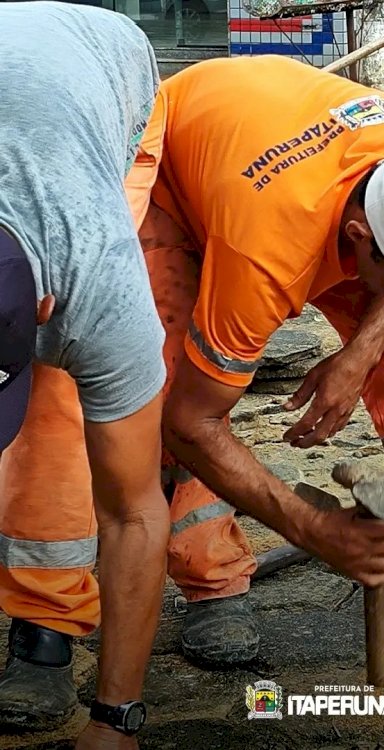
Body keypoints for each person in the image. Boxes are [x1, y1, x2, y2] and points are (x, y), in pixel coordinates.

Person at [0, 52, 384, 730]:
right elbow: (193, 421)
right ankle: (104, 610)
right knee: (129, 379)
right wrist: (312, 528)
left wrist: (360, 353)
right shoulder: (265, 246)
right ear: (360, 241)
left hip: (287, 169)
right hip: (176, 178)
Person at [0, 2, 171, 745]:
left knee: (66, 397)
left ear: (42, 306)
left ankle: (45, 614)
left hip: (111, 78)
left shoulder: (94, 281)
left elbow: (135, 513)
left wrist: (117, 719)